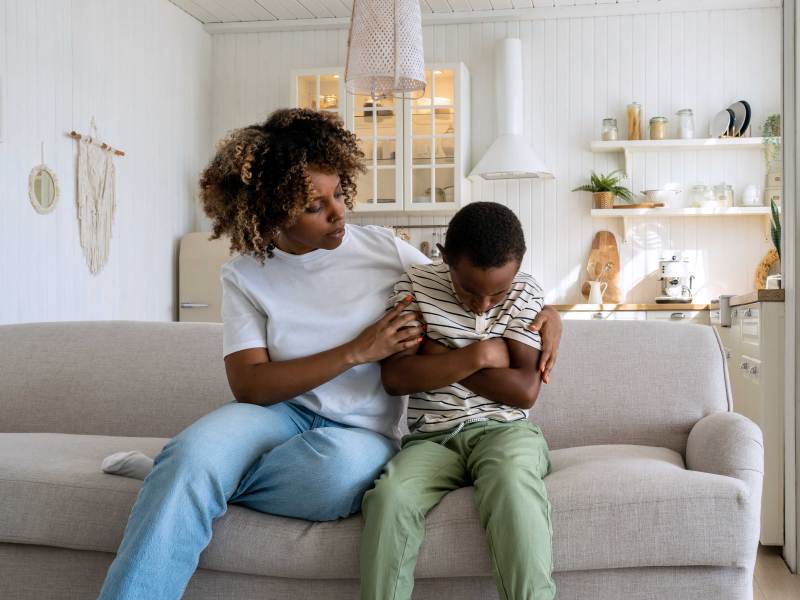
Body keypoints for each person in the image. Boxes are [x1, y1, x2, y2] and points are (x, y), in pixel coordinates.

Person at [97, 108, 562, 600]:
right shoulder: (244, 274)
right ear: (271, 211)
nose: (339, 212)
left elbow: (466, 289)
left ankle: (185, 485)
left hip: (358, 432)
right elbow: (250, 385)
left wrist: (550, 313)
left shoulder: (385, 250)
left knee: (331, 478)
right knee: (193, 454)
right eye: (315, 206)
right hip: (275, 415)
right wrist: (357, 352)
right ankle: (186, 479)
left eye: (339, 193)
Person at [360, 202, 555, 600]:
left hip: (506, 432)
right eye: (469, 290)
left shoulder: (524, 291)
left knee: (511, 482)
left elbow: (523, 390)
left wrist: (436, 355)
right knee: (390, 497)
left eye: (496, 293)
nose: (483, 305)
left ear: (518, 267)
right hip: (432, 439)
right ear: (445, 257)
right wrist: (480, 355)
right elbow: (396, 378)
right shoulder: (413, 287)